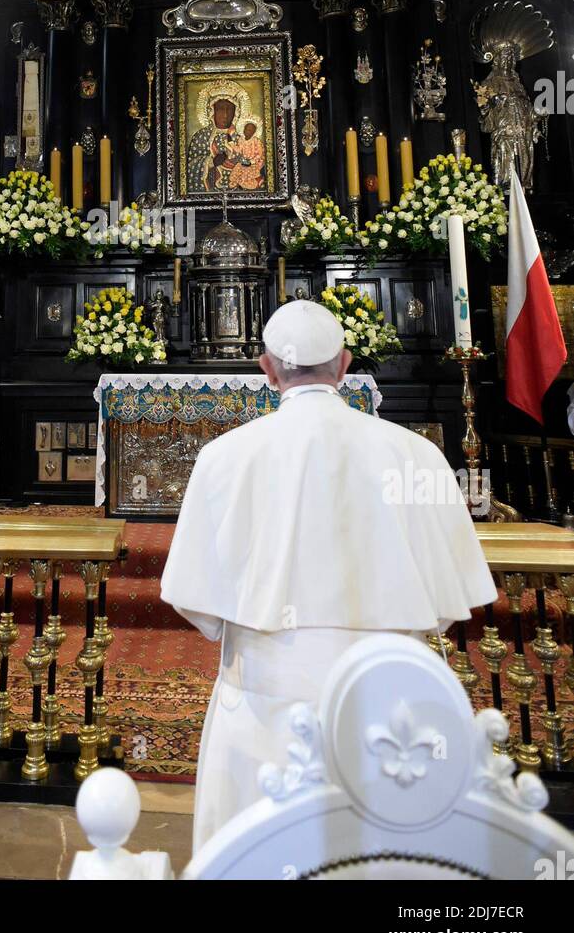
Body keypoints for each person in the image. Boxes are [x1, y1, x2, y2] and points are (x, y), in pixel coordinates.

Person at [160, 298, 497, 853]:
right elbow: (450, 592)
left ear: (267, 368)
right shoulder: (420, 457)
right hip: (391, 707)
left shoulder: (224, 457)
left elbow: (196, 599)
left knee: (260, 856)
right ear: (344, 364)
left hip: (266, 711)